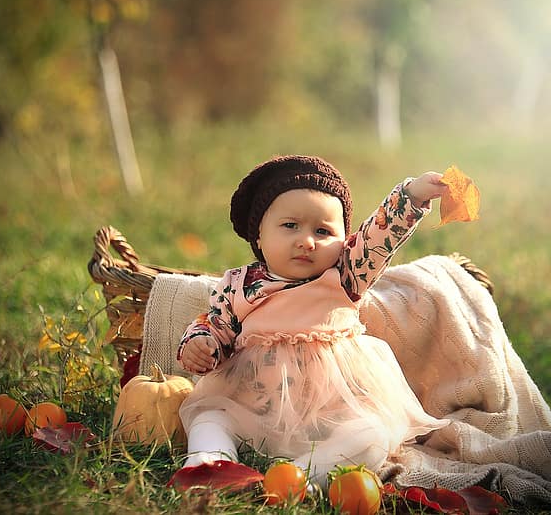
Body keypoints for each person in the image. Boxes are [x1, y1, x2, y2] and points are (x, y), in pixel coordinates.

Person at [176, 155, 450, 489]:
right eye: (290, 225)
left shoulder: (346, 276)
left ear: (344, 242)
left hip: (329, 417)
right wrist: (200, 344)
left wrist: (412, 194)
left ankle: (300, 476)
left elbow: (378, 238)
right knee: (209, 418)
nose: (307, 241)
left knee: (372, 435)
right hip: (253, 410)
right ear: (259, 235)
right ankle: (211, 464)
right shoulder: (241, 285)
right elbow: (216, 324)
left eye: (323, 231)